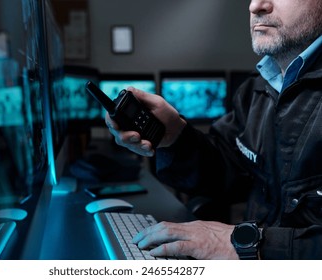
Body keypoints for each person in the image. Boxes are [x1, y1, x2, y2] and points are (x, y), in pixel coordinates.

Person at [105, 0, 322, 260]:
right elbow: (226, 172)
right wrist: (173, 136)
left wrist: (245, 246)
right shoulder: (256, 89)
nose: (255, 6)